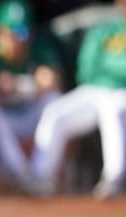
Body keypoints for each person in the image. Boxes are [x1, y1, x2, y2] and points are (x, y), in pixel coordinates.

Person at [30, 0, 126, 199]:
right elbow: (86, 68)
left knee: (113, 109)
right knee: (56, 112)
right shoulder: (105, 31)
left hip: (121, 93)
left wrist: (112, 73)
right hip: (95, 89)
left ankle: (113, 178)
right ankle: (40, 178)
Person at [0, 0, 63, 192]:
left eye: (22, 32)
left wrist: (18, 86)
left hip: (27, 114)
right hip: (1, 122)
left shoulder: (39, 50)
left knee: (54, 102)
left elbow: (52, 82)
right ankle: (21, 175)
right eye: (10, 33)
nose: (16, 39)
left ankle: (40, 174)